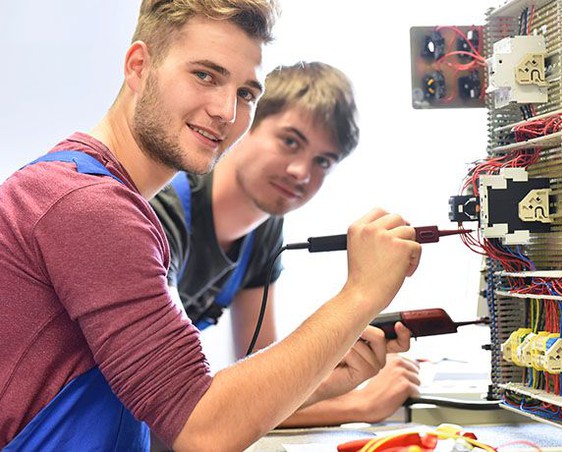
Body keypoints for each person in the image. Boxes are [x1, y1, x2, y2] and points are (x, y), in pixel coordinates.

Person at [0, 0, 422, 450]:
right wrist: (361, 293)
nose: (227, 111)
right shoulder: (89, 208)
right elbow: (201, 429)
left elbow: (173, 395)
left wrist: (322, 375)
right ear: (139, 66)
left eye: (246, 94)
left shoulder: (98, 196)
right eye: (205, 75)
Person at [150, 61, 422, 427]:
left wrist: (344, 372)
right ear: (244, 123)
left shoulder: (263, 232)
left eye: (323, 161)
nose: (301, 172)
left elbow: (263, 382)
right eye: (290, 141)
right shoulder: (159, 215)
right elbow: (182, 412)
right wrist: (357, 405)